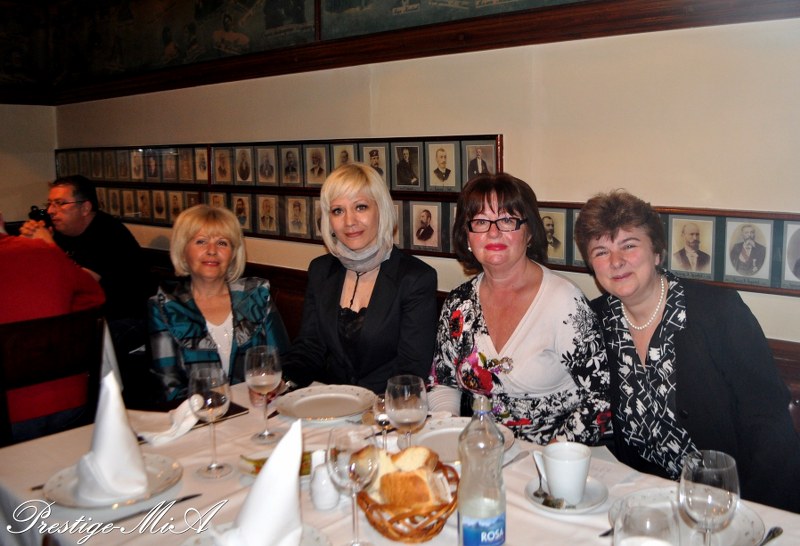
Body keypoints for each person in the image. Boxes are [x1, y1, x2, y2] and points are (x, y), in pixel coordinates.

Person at [574, 190, 800, 512]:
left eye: (629, 245)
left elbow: (768, 420)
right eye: (601, 251)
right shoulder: (596, 321)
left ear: (657, 253)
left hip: (728, 500)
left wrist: (750, 512)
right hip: (644, 501)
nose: (616, 261)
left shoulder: (717, 312)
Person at [429, 173, 610, 445]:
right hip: (482, 452)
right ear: (467, 235)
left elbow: (601, 398)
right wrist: (451, 434)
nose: (493, 232)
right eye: (480, 221)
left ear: (529, 232)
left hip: (556, 457)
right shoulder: (458, 304)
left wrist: (553, 453)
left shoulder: (565, 303)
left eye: (507, 220)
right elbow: (443, 383)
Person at [282, 163, 438, 393]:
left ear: (381, 210)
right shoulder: (320, 271)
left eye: (360, 207)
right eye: (338, 211)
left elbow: (411, 370)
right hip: (330, 401)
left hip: (386, 406)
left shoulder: (415, 278)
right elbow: (309, 347)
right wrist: (284, 381)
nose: (349, 221)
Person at [148, 205, 289, 401]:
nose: (212, 251)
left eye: (222, 243)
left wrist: (276, 386)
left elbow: (283, 362)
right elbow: (169, 389)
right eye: (201, 241)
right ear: (183, 250)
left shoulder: (256, 297)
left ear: (233, 253)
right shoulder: (165, 307)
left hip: (257, 411)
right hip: (196, 416)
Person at [0, 211, 106, 442]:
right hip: (70, 401)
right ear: (1, 219)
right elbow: (93, 298)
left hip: (11, 416)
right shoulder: (45, 250)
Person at [19, 175, 149, 327]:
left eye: (60, 203)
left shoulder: (107, 233)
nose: (50, 211)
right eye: (49, 204)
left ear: (85, 208)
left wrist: (49, 245)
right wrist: (29, 245)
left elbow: (79, 286)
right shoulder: (61, 230)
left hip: (121, 320)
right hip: (82, 316)